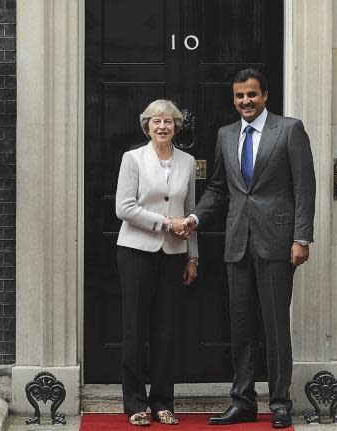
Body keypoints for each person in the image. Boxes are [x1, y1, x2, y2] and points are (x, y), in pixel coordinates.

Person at [179, 68, 316, 429]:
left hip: (277, 243)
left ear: (265, 95)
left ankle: (280, 402)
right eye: (239, 96)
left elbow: (305, 187)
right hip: (237, 242)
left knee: (274, 326)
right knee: (240, 327)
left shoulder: (289, 129)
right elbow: (219, 189)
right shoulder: (226, 135)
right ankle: (242, 401)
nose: (245, 102)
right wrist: (194, 219)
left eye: (252, 95)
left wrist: (302, 238)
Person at [115, 99, 198, 426]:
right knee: (134, 328)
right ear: (146, 125)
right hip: (135, 252)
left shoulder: (188, 162)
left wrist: (193, 256)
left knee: (166, 331)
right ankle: (135, 403)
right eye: (156, 121)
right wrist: (164, 223)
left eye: (168, 121)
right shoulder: (133, 158)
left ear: (176, 126)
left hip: (174, 255)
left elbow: (190, 211)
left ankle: (163, 401)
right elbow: (124, 207)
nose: (162, 126)